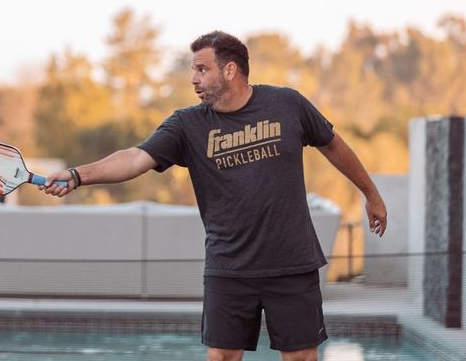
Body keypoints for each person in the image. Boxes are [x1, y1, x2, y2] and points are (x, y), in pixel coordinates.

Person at [41, 31, 387, 361]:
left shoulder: (287, 104)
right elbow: (134, 158)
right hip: (229, 267)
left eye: (202, 69)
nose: (193, 78)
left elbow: (333, 144)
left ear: (230, 70)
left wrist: (371, 195)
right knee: (221, 355)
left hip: (291, 262)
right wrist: (77, 175)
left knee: (301, 356)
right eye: (193, 69)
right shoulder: (186, 125)